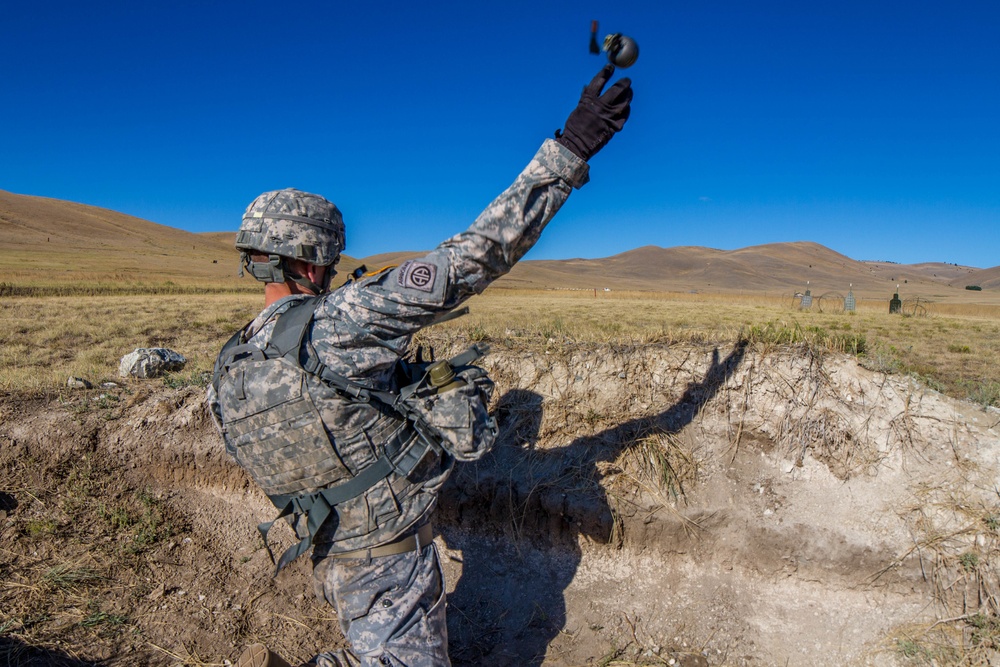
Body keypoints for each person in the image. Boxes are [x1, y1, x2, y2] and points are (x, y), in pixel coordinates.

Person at [208, 64, 633, 667]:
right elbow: (475, 255)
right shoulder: (343, 321)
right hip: (389, 556)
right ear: (310, 261)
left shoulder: (228, 365)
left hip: (328, 550)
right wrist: (569, 149)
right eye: (329, 260)